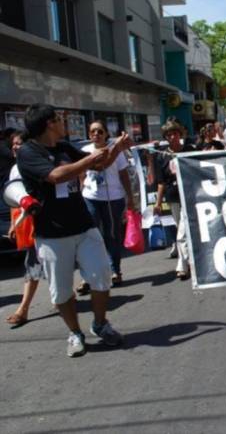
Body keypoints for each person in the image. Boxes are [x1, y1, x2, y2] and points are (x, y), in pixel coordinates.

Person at [17, 104, 130, 356]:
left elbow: (100, 165)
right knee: (61, 290)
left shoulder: (64, 147)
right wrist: (89, 159)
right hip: (52, 234)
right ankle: (75, 333)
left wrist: (117, 148)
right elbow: (56, 175)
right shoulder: (28, 152)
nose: (63, 123)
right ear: (49, 124)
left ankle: (100, 324)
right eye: (59, 119)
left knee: (102, 276)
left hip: (84, 226)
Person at [75, 120, 135, 295]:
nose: (96, 134)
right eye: (93, 131)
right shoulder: (85, 151)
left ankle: (115, 270)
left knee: (111, 235)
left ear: (106, 134)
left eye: (100, 131)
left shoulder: (116, 150)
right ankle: (88, 277)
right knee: (89, 237)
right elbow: (81, 175)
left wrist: (130, 198)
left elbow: (124, 175)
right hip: (90, 198)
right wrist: (81, 193)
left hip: (113, 199)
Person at [5, 131, 43, 327]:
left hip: (40, 221)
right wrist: (15, 223)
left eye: (19, 143)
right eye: (13, 144)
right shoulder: (14, 169)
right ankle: (63, 296)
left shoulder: (35, 166)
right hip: (25, 222)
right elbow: (15, 198)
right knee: (36, 261)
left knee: (34, 262)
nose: (15, 147)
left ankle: (23, 309)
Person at [154, 119, 195, 280]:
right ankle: (191, 261)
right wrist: (158, 203)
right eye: (169, 135)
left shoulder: (189, 150)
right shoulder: (162, 156)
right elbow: (161, 182)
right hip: (173, 197)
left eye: (175, 133)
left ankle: (182, 266)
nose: (172, 137)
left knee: (182, 234)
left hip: (191, 196)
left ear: (180, 134)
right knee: (182, 230)